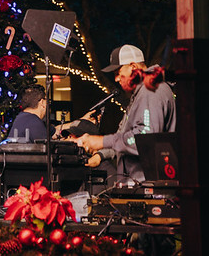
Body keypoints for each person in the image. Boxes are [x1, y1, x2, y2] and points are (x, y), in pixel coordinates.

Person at [74, 44, 176, 183]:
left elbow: (144, 137)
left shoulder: (151, 91)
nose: (116, 79)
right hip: (141, 183)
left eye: (118, 72)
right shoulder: (142, 92)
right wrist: (102, 154)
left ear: (133, 67)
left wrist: (101, 141)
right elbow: (125, 137)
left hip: (149, 185)